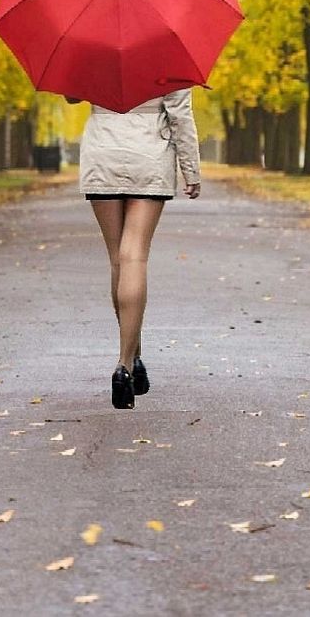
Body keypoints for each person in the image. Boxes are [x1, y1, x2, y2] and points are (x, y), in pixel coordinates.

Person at [74, 89, 202, 409]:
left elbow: (73, 96)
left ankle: (134, 357)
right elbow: (180, 116)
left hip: (102, 153)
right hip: (149, 156)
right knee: (135, 256)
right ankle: (125, 365)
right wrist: (191, 170)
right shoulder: (170, 49)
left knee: (118, 260)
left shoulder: (92, 45)